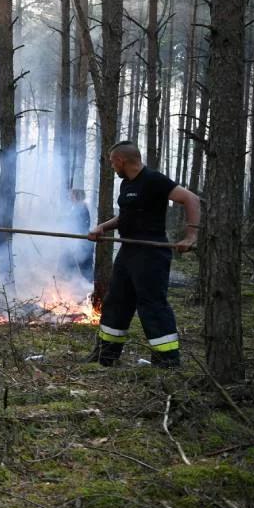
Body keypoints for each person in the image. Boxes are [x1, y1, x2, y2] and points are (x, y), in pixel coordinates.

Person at [86, 141, 200, 368]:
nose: (111, 166)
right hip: (128, 251)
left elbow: (191, 199)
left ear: (121, 161)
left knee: (151, 304)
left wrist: (191, 236)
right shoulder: (126, 185)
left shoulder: (154, 180)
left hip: (151, 252)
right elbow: (125, 218)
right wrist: (102, 227)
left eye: (112, 162)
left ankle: (167, 360)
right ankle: (106, 355)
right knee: (116, 301)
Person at [65, 189, 94, 283]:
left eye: (72, 195)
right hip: (77, 241)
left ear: (77, 196)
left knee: (85, 267)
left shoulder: (81, 208)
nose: (70, 197)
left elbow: (81, 226)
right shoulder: (77, 207)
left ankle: (90, 287)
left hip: (82, 242)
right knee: (69, 263)